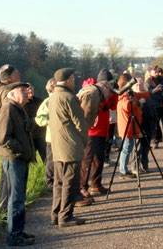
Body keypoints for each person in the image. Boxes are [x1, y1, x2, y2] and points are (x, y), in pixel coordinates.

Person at [0, 82, 35, 246]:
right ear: (11, 94)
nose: (26, 93)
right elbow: (2, 138)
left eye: (26, 90)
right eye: (22, 91)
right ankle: (13, 236)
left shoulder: (19, 109)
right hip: (14, 160)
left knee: (19, 198)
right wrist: (20, 150)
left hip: (20, 160)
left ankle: (18, 231)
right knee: (15, 199)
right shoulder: (8, 109)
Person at [49, 68, 89, 227]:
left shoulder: (53, 96)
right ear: (68, 80)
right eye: (73, 78)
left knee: (58, 183)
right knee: (70, 183)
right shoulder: (69, 97)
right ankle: (66, 217)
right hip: (70, 146)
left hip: (57, 146)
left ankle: (56, 214)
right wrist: (84, 141)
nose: (74, 81)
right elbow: (80, 123)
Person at [80, 69, 117, 197]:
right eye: (111, 84)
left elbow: (113, 106)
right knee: (87, 160)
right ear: (105, 84)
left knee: (99, 159)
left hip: (102, 130)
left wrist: (115, 93)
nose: (112, 87)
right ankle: (82, 187)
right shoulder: (93, 93)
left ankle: (96, 185)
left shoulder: (105, 94)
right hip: (92, 131)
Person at [117, 73, 162, 179]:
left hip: (130, 125)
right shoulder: (124, 94)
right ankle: (123, 171)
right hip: (127, 126)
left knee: (128, 148)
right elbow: (127, 106)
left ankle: (124, 170)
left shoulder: (129, 92)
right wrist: (138, 103)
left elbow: (142, 95)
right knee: (126, 149)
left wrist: (153, 91)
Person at [0, 64, 21, 212]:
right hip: (8, 141)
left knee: (5, 178)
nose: (19, 73)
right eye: (16, 73)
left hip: (2, 140)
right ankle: (8, 216)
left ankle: (2, 211)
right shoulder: (7, 93)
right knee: (10, 181)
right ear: (9, 78)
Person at [130, 78, 156, 173]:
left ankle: (145, 165)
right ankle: (135, 167)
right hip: (137, 126)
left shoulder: (147, 96)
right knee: (137, 148)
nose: (139, 86)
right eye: (136, 84)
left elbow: (152, 110)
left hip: (148, 125)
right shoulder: (132, 97)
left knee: (146, 147)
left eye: (140, 84)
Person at [35, 78, 57, 190]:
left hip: (61, 137)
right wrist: (50, 122)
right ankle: (49, 181)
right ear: (53, 88)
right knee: (51, 161)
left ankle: (57, 180)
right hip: (51, 137)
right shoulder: (47, 102)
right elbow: (39, 119)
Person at [24, 84, 46, 163]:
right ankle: (35, 172)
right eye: (28, 89)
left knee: (45, 154)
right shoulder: (23, 103)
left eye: (32, 88)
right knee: (32, 156)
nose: (30, 91)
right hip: (29, 133)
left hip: (40, 132)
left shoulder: (39, 101)